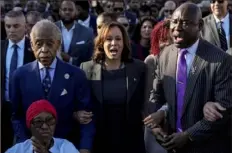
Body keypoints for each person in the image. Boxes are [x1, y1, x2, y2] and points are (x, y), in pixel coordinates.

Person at [150, 3, 232, 153]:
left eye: (185, 23)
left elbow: (223, 108)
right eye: (174, 22)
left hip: (207, 147)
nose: (177, 27)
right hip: (171, 144)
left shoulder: (221, 60)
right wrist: (156, 126)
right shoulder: (165, 55)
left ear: (200, 25)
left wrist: (188, 136)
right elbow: (157, 94)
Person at [10, 19, 94, 153]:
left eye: (49, 44)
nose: (44, 50)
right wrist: (25, 145)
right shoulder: (19, 76)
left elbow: (87, 118)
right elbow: (16, 116)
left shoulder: (76, 75)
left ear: (58, 44)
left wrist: (84, 148)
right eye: (38, 44)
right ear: (31, 45)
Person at [80, 22, 146, 153]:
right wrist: (77, 114)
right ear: (101, 43)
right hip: (99, 141)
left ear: (124, 42)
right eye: (108, 39)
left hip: (131, 142)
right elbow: (78, 103)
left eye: (118, 39)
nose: (113, 43)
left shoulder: (139, 68)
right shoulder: (86, 69)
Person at [1, 10, 35, 152]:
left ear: (25, 26)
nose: (11, 30)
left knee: (26, 146)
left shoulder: (33, 48)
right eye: (8, 26)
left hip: (26, 107)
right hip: (3, 107)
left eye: (16, 26)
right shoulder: (0, 47)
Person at [6, 99, 79, 153]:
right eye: (38, 122)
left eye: (50, 120)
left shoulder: (66, 147)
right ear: (30, 126)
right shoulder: (18, 150)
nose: (45, 126)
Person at [143, 20, 172, 153]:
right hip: (154, 127)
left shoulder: (184, 63)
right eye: (162, 39)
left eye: (170, 40)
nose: (166, 44)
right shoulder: (151, 61)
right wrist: (153, 126)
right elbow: (146, 100)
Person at [55, 0, 94, 66]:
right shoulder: (50, 29)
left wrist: (70, 59)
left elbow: (89, 59)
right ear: (59, 11)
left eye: (70, 10)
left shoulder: (87, 32)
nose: (67, 12)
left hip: (78, 73)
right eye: (64, 9)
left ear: (76, 12)